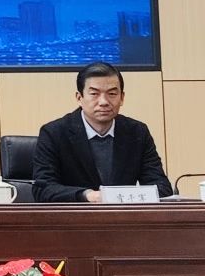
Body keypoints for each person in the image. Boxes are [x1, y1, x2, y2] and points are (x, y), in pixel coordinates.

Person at [32, 61, 172, 203]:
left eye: (112, 94)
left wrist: (123, 197)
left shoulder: (137, 132)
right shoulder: (54, 133)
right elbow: (43, 189)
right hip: (76, 215)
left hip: (123, 215)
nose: (104, 102)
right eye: (94, 94)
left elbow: (162, 188)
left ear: (122, 98)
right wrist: (86, 195)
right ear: (79, 98)